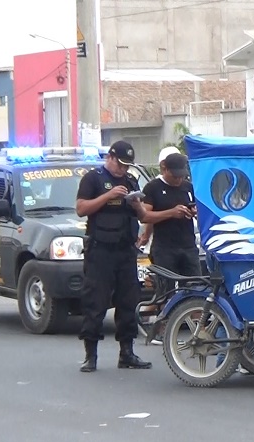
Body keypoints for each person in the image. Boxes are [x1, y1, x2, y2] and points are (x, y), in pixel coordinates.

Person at [76, 141, 193, 373]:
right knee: (96, 301)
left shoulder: (130, 181)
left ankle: (127, 352)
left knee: (128, 301)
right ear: (110, 157)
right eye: (121, 164)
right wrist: (108, 195)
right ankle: (91, 355)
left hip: (125, 249)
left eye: (127, 165)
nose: (123, 170)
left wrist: (137, 203)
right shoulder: (93, 178)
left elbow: (144, 217)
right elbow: (81, 208)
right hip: (100, 250)